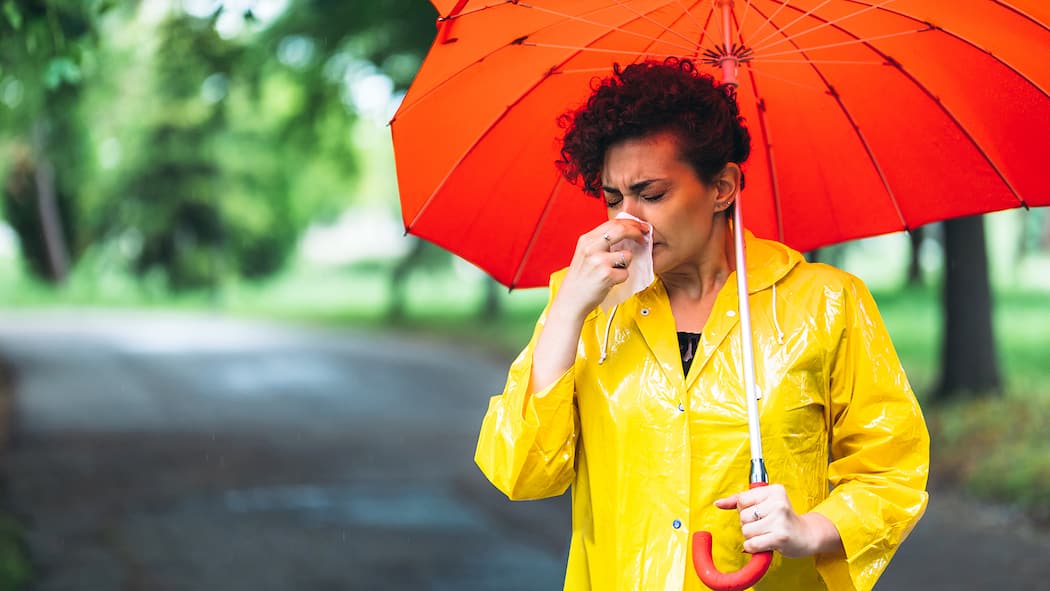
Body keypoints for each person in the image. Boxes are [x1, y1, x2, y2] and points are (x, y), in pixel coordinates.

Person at [474, 58, 929, 591]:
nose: (628, 222)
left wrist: (811, 529)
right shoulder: (587, 306)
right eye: (613, 198)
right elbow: (521, 472)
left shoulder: (826, 303)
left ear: (723, 187)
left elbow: (891, 472)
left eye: (652, 193)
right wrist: (570, 310)